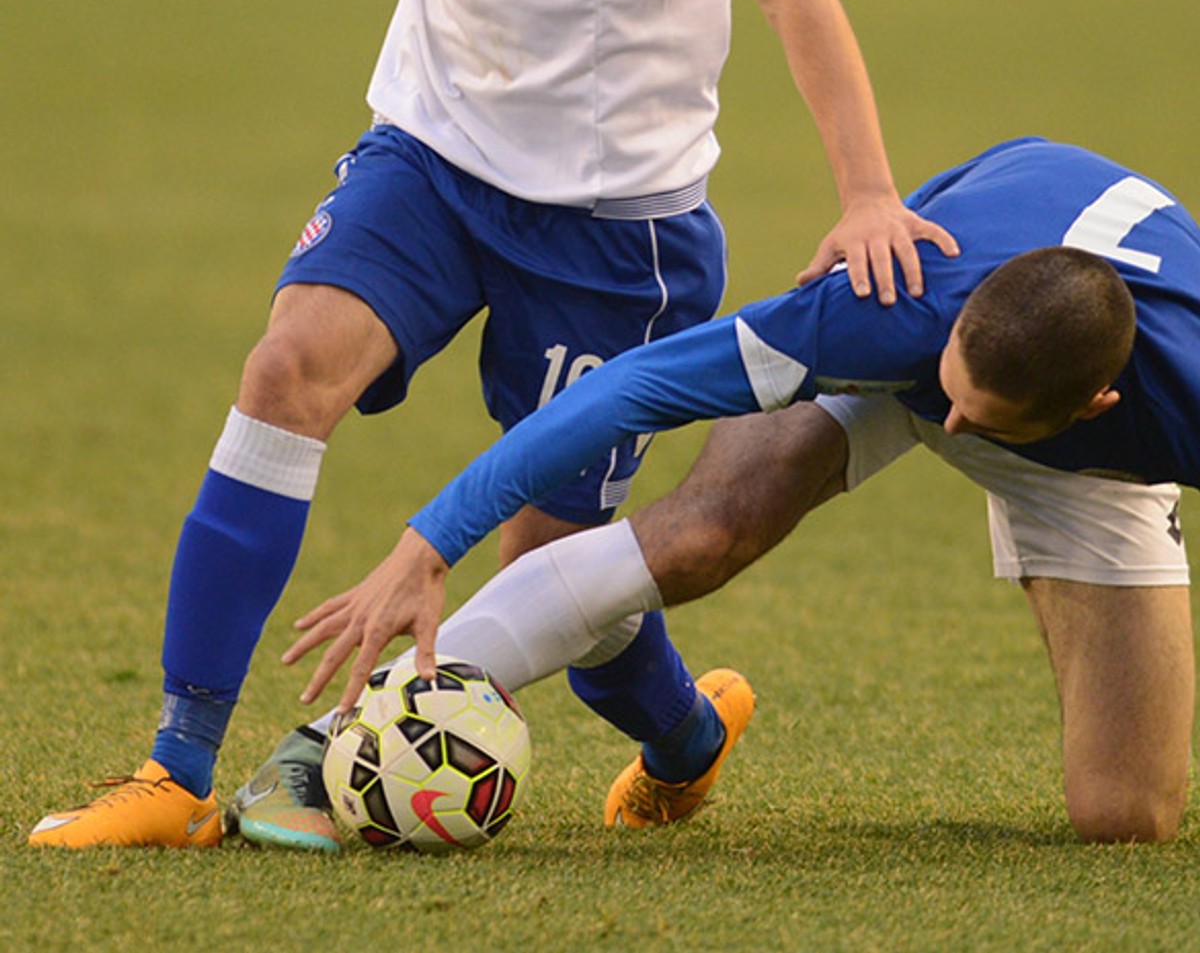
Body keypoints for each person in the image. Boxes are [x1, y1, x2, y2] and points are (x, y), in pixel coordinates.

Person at [29, 0, 953, 852]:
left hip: (612, 229)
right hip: (433, 151)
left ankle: (686, 738)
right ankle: (175, 773)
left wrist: (869, 192)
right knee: (285, 371)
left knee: (554, 583)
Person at [278, 137, 1200, 843]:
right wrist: (432, 538)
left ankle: (1066, 474)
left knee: (1125, 817)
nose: (949, 426)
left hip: (1090, 449)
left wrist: (981, 407)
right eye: (949, 395)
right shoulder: (899, 307)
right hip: (909, 343)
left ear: (1097, 404)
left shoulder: (1177, 400)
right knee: (706, 530)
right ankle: (327, 744)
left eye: (974, 417)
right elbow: (628, 389)